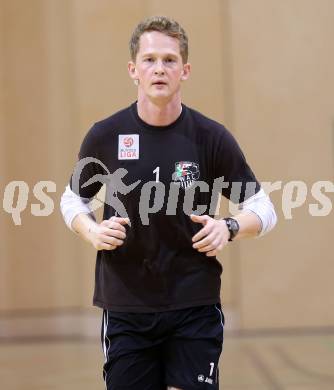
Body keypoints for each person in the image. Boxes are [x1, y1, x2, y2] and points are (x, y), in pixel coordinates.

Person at [60, 16, 277, 390]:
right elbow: (71, 199)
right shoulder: (105, 136)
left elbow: (265, 209)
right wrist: (93, 230)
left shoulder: (211, 138)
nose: (159, 68)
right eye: (149, 60)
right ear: (133, 69)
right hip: (127, 305)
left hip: (193, 304)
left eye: (169, 60)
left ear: (185, 70)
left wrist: (228, 227)